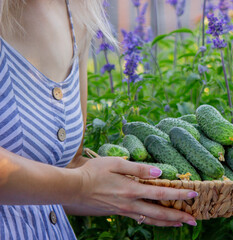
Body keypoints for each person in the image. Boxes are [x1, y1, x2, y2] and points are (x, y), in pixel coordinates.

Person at [0, 0, 200, 239]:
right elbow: (78, 184)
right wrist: (83, 186)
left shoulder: (77, 13)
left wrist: (150, 193)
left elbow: (67, 170)